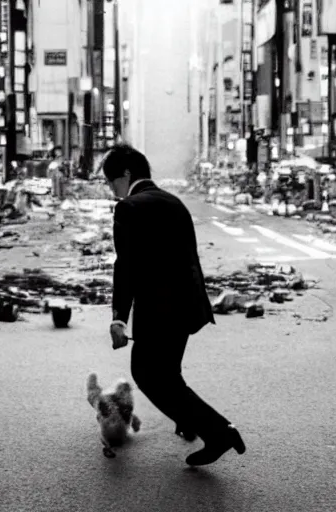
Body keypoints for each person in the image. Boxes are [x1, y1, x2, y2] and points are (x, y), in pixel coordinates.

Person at [101, 143, 246, 466]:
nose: (113, 190)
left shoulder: (128, 209)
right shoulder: (174, 202)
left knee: (147, 373)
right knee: (168, 374)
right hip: (188, 305)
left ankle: (220, 431)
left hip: (159, 309)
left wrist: (119, 318)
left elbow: (126, 267)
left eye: (112, 182)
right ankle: (189, 421)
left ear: (125, 175)